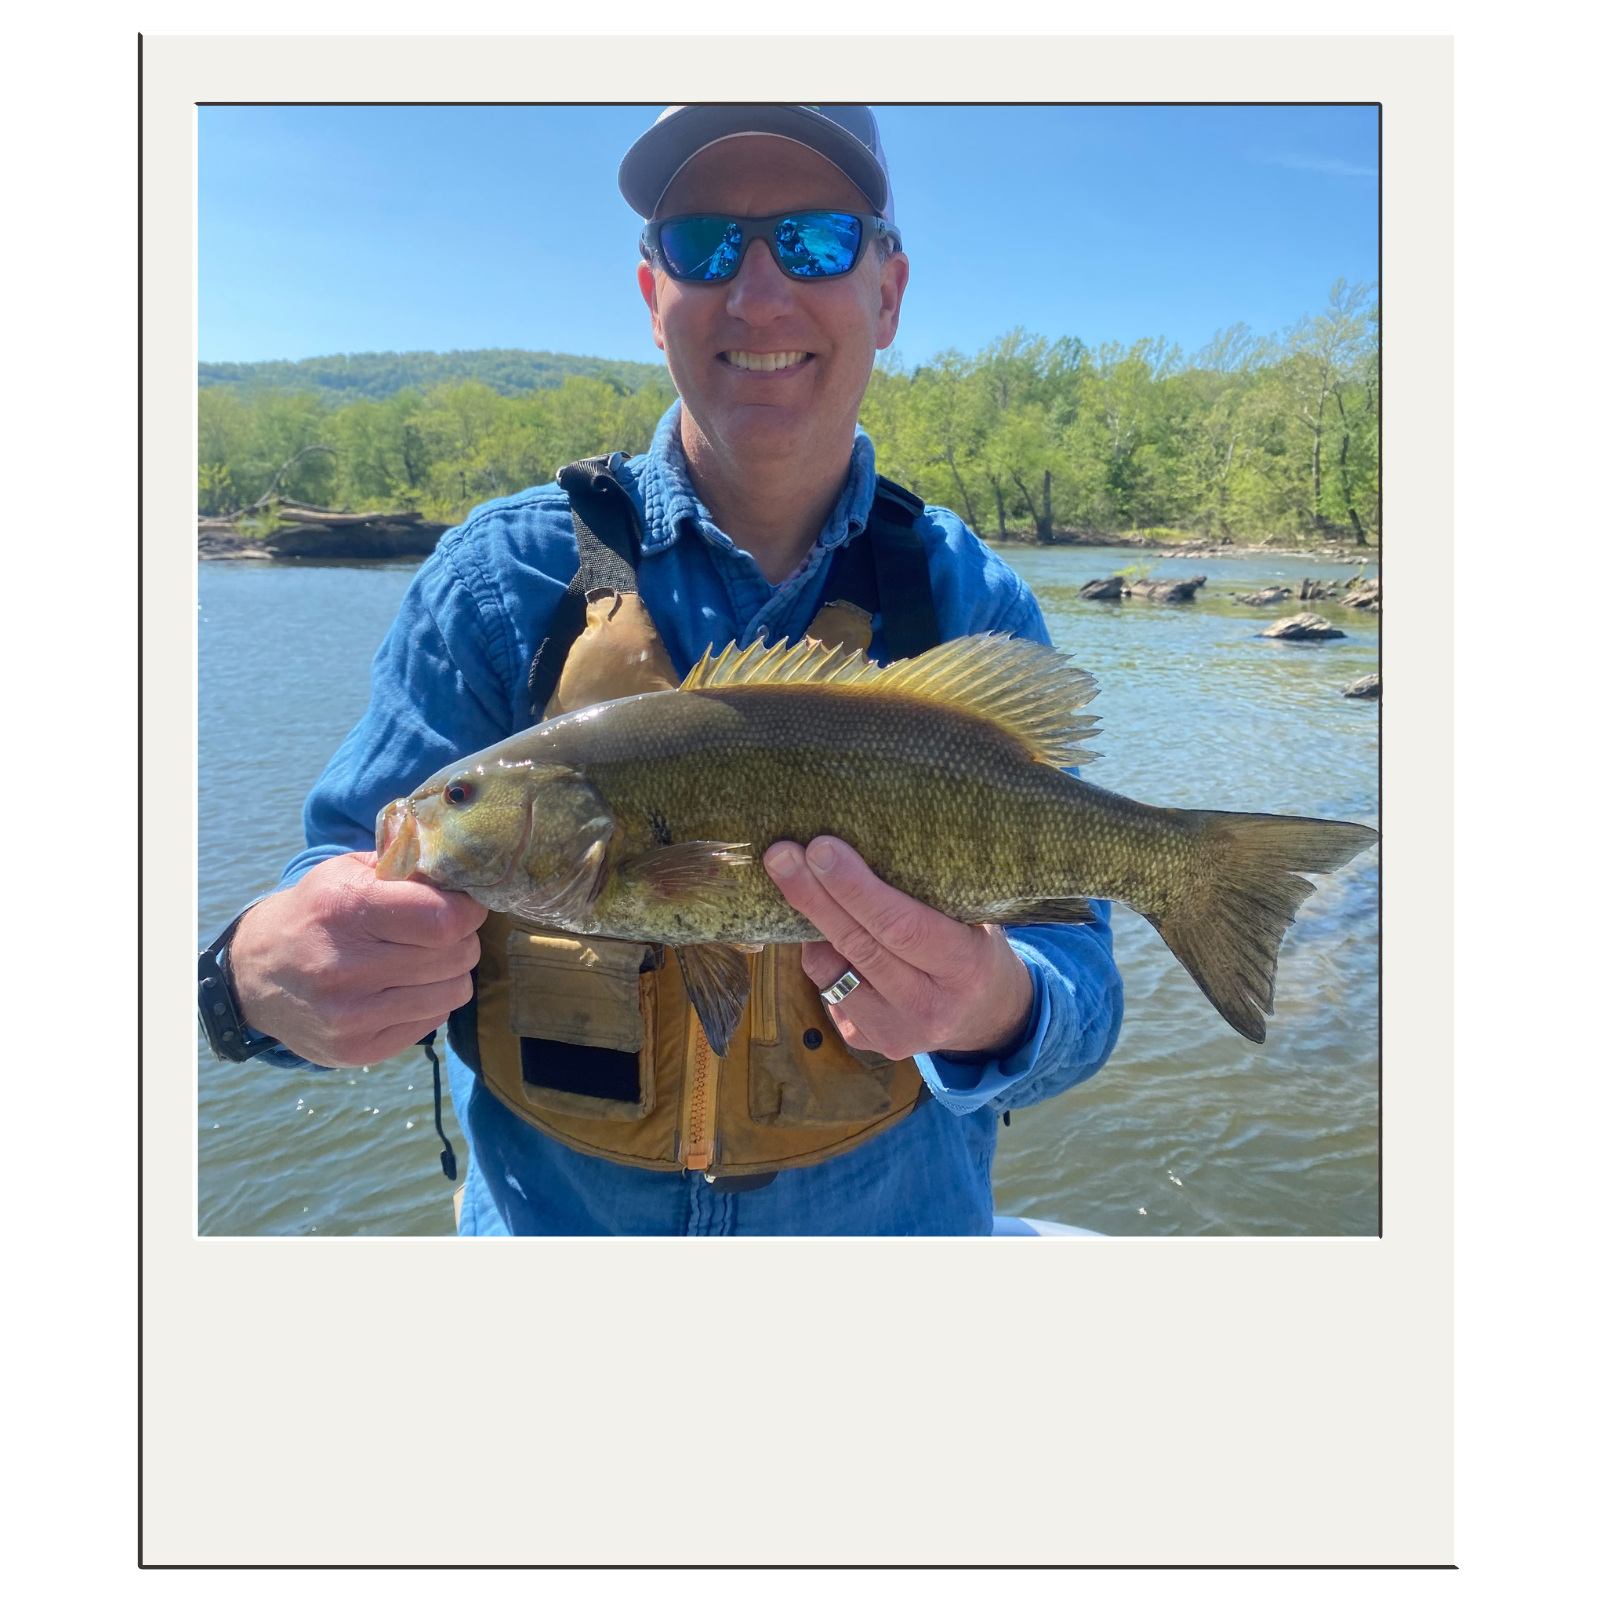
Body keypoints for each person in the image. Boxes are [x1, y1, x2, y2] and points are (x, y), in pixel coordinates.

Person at [201, 104, 1124, 1236]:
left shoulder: (967, 600)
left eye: (819, 240)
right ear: (653, 297)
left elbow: (1079, 991)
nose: (759, 291)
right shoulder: (500, 585)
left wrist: (997, 1005)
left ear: (887, 294)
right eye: (702, 243)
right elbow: (333, 883)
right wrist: (252, 981)